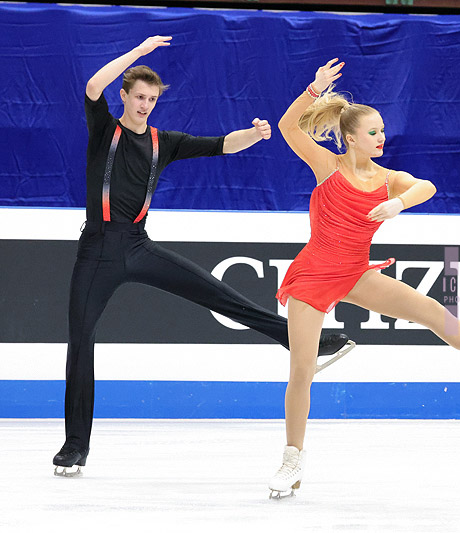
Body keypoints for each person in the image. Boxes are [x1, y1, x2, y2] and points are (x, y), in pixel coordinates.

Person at [52, 38, 353, 477]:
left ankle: (297, 339)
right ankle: (75, 445)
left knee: (216, 292)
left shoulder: (163, 141)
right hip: (96, 250)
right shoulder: (104, 130)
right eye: (139, 97)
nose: (145, 105)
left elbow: (221, 145)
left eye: (152, 99)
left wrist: (254, 134)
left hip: (137, 245)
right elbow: (93, 86)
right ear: (125, 96)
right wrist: (137, 53)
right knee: (81, 342)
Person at [268, 59, 460, 498]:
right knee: (302, 369)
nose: (381, 137)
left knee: (430, 311)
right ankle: (292, 459)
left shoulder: (388, 180)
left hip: (354, 273)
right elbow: (288, 127)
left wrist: (398, 203)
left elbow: (426, 186)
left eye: (383, 130)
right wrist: (314, 89)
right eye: (372, 132)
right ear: (351, 138)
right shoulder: (328, 166)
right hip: (313, 276)